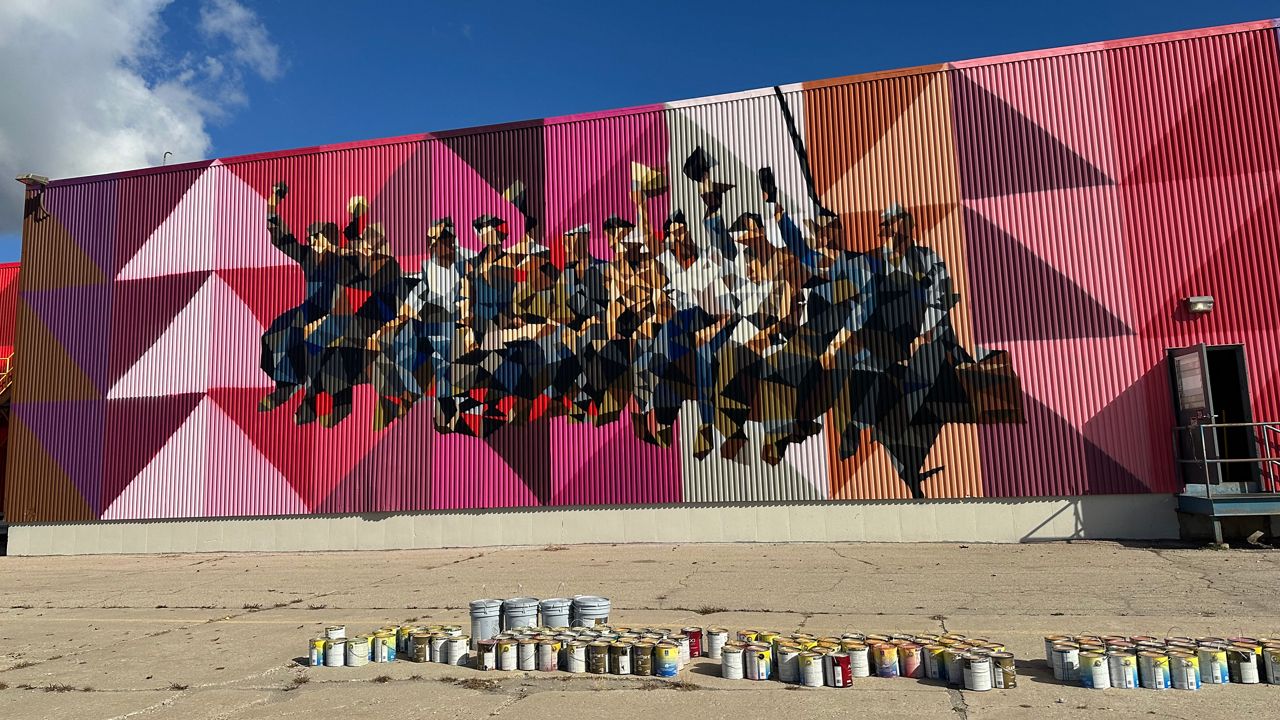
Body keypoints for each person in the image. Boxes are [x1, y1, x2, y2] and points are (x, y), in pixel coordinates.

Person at [258, 182, 357, 425]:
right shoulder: (308, 257)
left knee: (314, 345)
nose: (311, 241)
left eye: (316, 237)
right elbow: (284, 240)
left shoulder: (342, 261)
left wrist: (356, 218)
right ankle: (285, 385)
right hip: (310, 309)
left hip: (338, 313)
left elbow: (356, 249)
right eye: (309, 237)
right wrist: (272, 207)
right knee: (273, 335)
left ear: (329, 239)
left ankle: (311, 400)